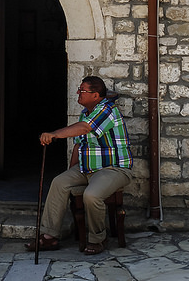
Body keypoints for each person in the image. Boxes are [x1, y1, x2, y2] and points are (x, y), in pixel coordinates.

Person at [26, 75, 132, 255]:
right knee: (59, 182)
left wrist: (54, 134)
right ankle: (50, 237)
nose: (78, 93)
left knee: (91, 195)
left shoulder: (107, 110)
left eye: (82, 90)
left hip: (113, 168)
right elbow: (79, 145)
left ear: (96, 96)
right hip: (87, 168)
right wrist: (71, 173)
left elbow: (85, 128)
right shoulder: (85, 113)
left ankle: (98, 239)